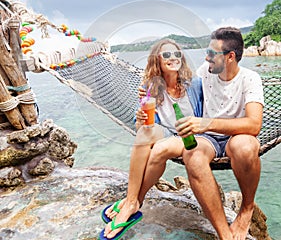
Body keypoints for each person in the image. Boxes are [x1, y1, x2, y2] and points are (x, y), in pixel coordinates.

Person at [100, 38, 203, 240]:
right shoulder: (149, 88)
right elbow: (143, 127)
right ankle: (131, 203)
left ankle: (131, 203)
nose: (173, 58)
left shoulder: (195, 84)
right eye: (166, 55)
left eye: (177, 54)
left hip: (189, 135)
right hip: (164, 133)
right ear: (157, 60)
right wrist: (140, 118)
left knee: (157, 149)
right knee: (146, 132)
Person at [175, 27, 264, 240]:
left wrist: (208, 123)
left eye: (212, 53)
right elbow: (173, 87)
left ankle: (246, 209)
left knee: (244, 147)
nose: (206, 57)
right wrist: (148, 88)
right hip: (209, 138)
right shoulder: (205, 72)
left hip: (237, 135)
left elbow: (254, 125)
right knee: (192, 155)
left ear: (230, 57)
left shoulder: (250, 79)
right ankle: (224, 232)